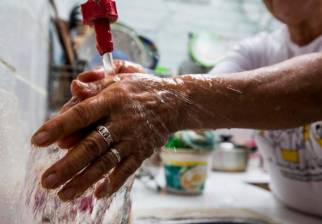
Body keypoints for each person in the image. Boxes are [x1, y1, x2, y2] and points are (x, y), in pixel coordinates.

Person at [32, 0, 322, 217]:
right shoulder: (256, 51)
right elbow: (211, 95)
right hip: (287, 213)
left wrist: (166, 99)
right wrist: (132, 87)